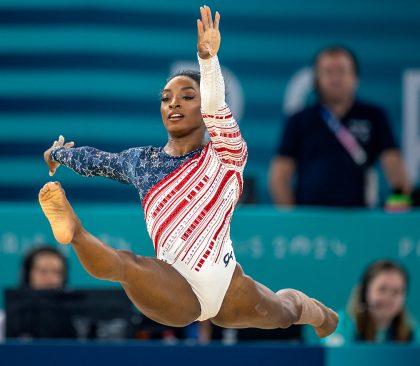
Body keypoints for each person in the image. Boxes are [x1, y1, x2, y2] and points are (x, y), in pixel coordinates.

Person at [39, 6, 338, 338]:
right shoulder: (143, 162)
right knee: (126, 266)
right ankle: (74, 232)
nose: (174, 103)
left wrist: (207, 60)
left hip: (227, 284)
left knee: (285, 314)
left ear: (203, 104)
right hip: (173, 283)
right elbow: (96, 160)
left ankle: (317, 312)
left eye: (187, 96)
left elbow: (215, 106)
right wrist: (58, 154)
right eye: (166, 99)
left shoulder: (226, 153)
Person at [269, 45, 411, 207]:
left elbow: (394, 168)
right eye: (328, 72)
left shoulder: (373, 116)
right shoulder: (299, 120)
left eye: (342, 71)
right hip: (310, 220)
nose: (335, 79)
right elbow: (279, 176)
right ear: (316, 79)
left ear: (355, 78)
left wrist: (398, 209)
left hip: (361, 218)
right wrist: (292, 220)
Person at [320, 260, 417, 346]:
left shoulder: (413, 331)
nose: (389, 298)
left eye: (396, 291)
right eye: (382, 289)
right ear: (365, 292)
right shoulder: (341, 325)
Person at [0, 245, 68, 343]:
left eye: (57, 272)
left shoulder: (78, 320)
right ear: (28, 274)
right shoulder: (2, 317)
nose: (50, 278)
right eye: (43, 271)